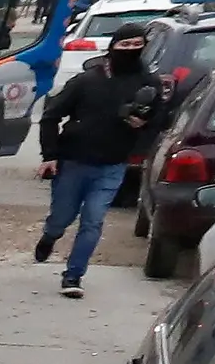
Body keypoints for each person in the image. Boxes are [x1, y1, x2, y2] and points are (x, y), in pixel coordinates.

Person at [36, 22, 168, 297]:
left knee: (93, 221)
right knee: (62, 216)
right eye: (125, 45)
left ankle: (73, 277)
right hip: (74, 161)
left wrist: (140, 129)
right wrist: (50, 155)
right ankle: (51, 235)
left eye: (137, 45)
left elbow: (158, 121)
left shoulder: (149, 83)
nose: (131, 50)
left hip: (113, 164)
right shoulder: (87, 81)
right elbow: (51, 115)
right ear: (113, 47)